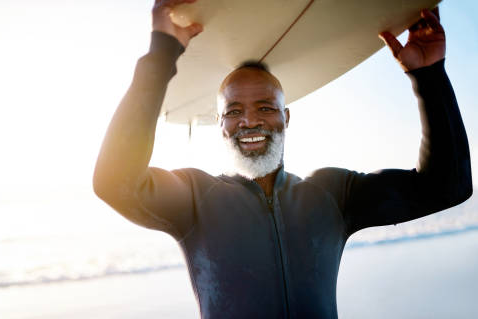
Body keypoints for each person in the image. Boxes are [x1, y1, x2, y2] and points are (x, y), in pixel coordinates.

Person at [93, 0, 472, 317]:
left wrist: (429, 77)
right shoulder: (194, 198)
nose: (250, 120)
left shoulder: (333, 194)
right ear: (220, 124)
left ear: (286, 117)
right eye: (233, 111)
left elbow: (446, 187)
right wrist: (162, 54)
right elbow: (115, 181)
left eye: (265, 107)